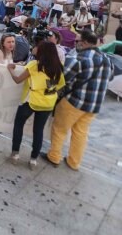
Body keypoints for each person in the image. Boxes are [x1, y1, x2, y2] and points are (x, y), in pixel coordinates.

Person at [44, 30, 113, 170]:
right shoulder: (107, 59)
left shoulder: (77, 58)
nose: (75, 43)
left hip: (74, 102)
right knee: (80, 133)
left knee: (59, 129)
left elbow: (63, 79)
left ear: (85, 42)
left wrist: (47, 88)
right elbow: (109, 78)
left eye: (77, 41)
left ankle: (54, 156)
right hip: (94, 105)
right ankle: (74, 162)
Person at [7, 41, 65, 169]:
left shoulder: (34, 65)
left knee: (19, 125)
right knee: (38, 131)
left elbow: (18, 80)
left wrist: (10, 69)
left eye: (37, 47)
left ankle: (15, 154)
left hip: (31, 100)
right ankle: (33, 160)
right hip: (48, 103)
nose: (35, 48)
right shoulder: (59, 67)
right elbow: (59, 86)